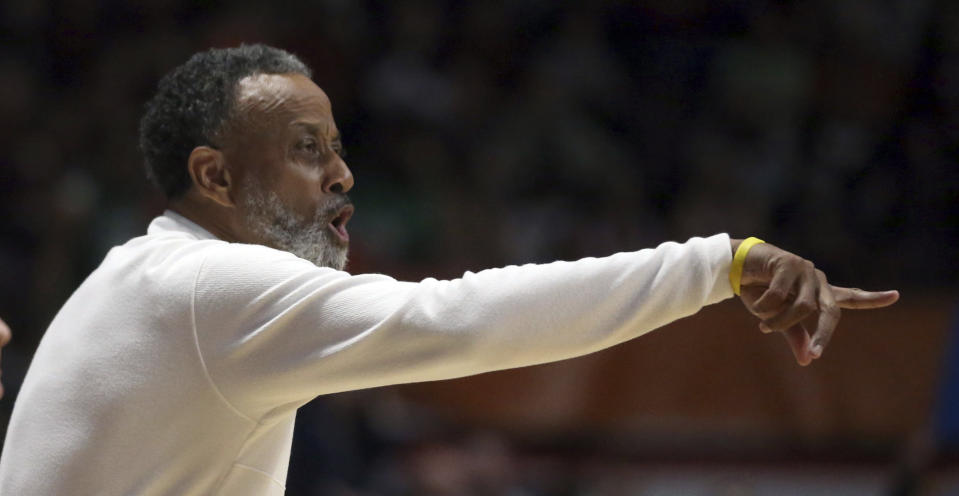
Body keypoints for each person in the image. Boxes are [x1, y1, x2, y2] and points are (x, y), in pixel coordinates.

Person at [0, 44, 899, 495]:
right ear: (214, 177)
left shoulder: (146, 279)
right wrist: (717, 264)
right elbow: (461, 317)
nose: (343, 176)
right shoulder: (204, 290)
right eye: (306, 150)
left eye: (339, 149)